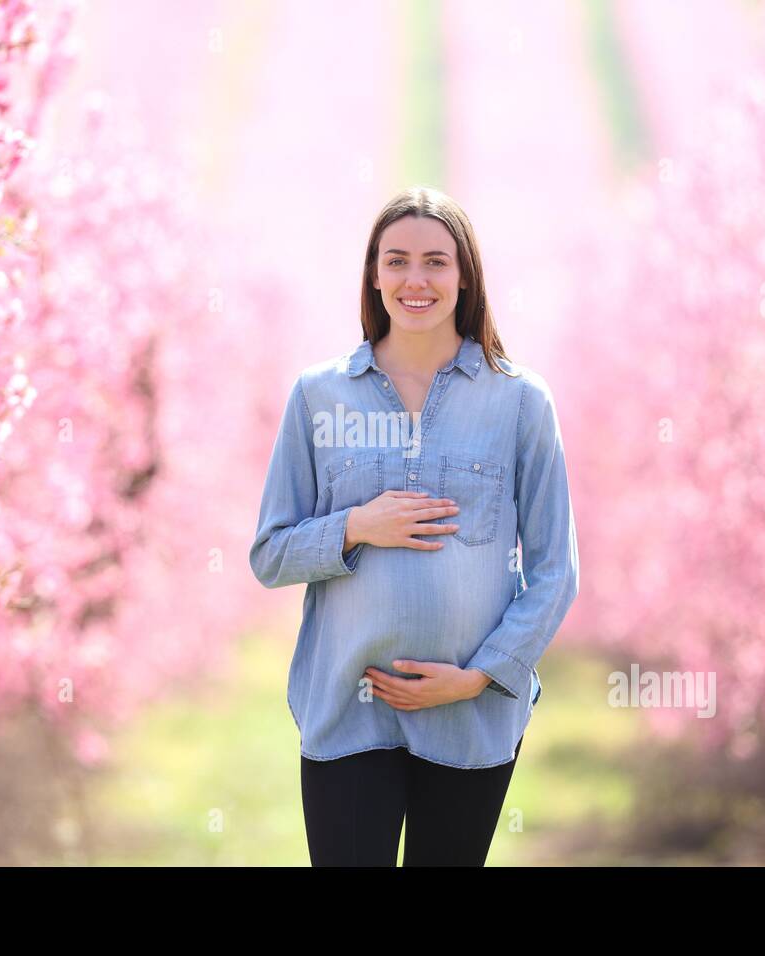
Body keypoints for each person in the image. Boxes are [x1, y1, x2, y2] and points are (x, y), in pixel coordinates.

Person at [249, 185, 579, 866]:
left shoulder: (519, 401)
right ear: (374, 274)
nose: (416, 279)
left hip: (469, 716)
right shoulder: (319, 394)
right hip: (349, 709)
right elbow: (269, 555)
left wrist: (482, 675)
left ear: (465, 276)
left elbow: (555, 571)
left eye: (436, 261)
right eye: (396, 261)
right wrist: (356, 526)